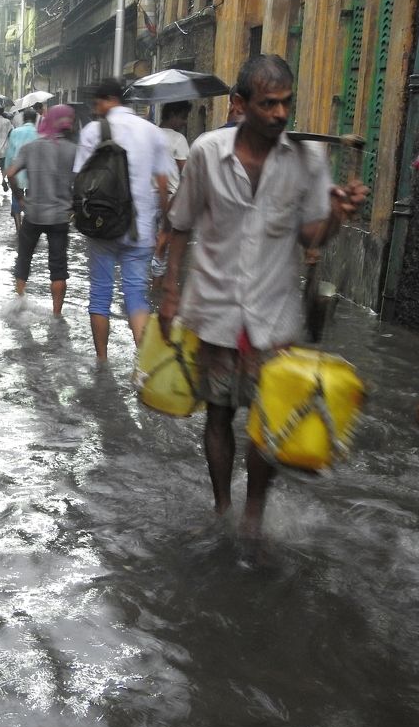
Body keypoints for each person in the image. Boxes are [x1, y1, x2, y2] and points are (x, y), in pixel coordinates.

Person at [157, 55, 368, 546]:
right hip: (214, 309)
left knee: (267, 420)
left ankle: (252, 517)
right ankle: (221, 509)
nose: (278, 114)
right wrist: (170, 294)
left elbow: (311, 235)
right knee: (216, 414)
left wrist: (336, 215)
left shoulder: (309, 159)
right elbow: (181, 224)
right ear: (239, 105)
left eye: (285, 103)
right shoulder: (209, 152)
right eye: (267, 103)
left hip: (274, 315)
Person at [73, 78, 172, 361]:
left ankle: (102, 363)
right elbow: (163, 183)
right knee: (136, 296)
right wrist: (165, 224)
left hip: (103, 226)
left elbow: (80, 178)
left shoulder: (93, 131)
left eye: (97, 104)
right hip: (140, 228)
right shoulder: (152, 132)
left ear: (105, 101)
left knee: (101, 294)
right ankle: (144, 366)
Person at [6, 104, 79, 317]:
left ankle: (20, 304)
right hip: (60, 216)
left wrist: (20, 197)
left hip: (34, 214)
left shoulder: (31, 147)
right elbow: (82, 180)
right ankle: (56, 315)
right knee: (58, 266)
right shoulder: (74, 150)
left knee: (24, 258)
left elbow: (10, 172)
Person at [151, 100, 192, 293]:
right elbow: (186, 173)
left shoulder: (149, 134)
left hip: (146, 197)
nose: (184, 122)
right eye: (183, 117)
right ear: (173, 115)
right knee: (164, 243)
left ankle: (146, 288)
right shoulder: (178, 139)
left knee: (147, 245)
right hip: (170, 197)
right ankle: (156, 286)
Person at [3, 107, 39, 232]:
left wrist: (6, 172)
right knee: (31, 200)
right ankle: (29, 226)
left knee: (16, 197)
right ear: (35, 120)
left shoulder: (15, 132)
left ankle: (19, 228)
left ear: (24, 119)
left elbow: (9, 154)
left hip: (16, 171)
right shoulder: (40, 133)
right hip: (33, 174)